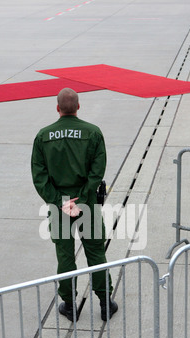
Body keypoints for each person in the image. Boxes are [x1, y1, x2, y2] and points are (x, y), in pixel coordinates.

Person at [31, 88, 118, 322]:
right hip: (87, 204)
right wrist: (83, 195)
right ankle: (105, 303)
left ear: (57, 108)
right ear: (78, 107)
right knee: (96, 252)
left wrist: (61, 201)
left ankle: (69, 305)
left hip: (59, 206)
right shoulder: (93, 133)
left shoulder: (43, 136)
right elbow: (97, 171)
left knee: (65, 255)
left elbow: (39, 176)